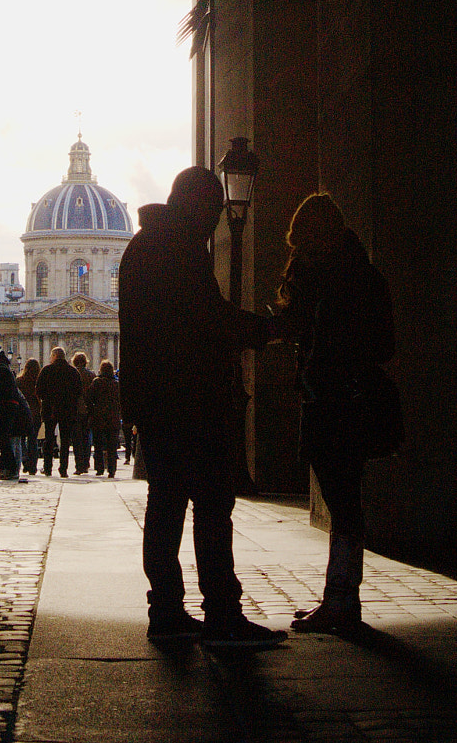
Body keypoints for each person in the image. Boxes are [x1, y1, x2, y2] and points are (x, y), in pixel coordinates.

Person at [119, 166, 281, 647]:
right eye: (211, 212)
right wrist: (265, 330)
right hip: (188, 398)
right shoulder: (175, 251)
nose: (215, 222)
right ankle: (222, 613)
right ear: (194, 206)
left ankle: (167, 609)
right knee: (212, 505)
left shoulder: (146, 247)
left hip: (157, 398)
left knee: (166, 506)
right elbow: (206, 319)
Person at [273, 192, 395, 635]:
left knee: (343, 503)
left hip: (335, 400)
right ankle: (340, 596)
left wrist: (325, 347)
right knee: (345, 501)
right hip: (340, 397)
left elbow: (370, 342)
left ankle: (342, 600)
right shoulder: (361, 275)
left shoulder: (332, 280)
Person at [36, 347, 83, 477]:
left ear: (54, 356)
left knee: (49, 439)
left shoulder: (46, 370)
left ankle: (47, 467)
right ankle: (63, 469)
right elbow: (79, 392)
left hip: (50, 409)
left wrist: (45, 401)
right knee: (65, 441)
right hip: (68, 410)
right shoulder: (73, 372)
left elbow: (38, 391)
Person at [0, 351, 30, 480]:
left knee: (3, 439)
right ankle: (4, 469)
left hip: (5, 406)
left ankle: (10, 468)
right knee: (4, 439)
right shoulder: (4, 368)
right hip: (10, 405)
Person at [86, 359, 122, 476]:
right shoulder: (116, 384)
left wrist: (92, 411)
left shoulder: (97, 382)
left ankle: (99, 468)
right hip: (113, 417)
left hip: (98, 417)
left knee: (98, 444)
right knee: (112, 445)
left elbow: (89, 398)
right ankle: (112, 469)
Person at [16, 357, 42, 475]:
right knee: (33, 440)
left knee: (21, 439)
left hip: (22, 413)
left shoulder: (19, 380)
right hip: (36, 413)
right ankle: (33, 466)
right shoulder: (39, 381)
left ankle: (25, 460)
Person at [70, 351, 95, 475]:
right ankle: (86, 462)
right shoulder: (91, 375)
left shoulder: (72, 374)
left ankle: (79, 465)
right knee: (87, 437)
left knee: (76, 439)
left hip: (75, 410)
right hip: (88, 410)